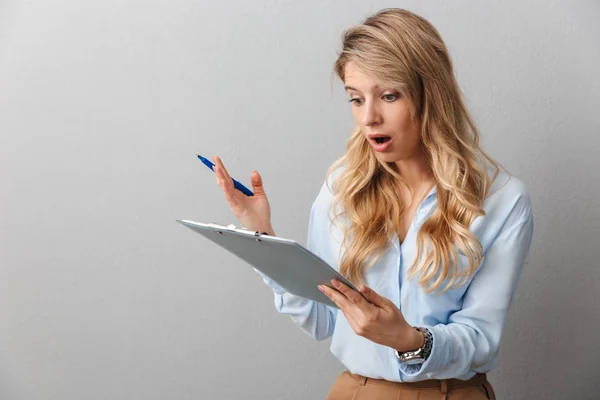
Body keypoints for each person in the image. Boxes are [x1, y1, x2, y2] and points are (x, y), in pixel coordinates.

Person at [211, 8, 533, 400]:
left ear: (429, 94)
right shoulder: (341, 188)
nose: (368, 117)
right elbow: (321, 319)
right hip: (356, 392)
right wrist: (261, 235)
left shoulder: (502, 200)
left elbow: (482, 337)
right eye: (355, 98)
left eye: (389, 96)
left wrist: (409, 340)